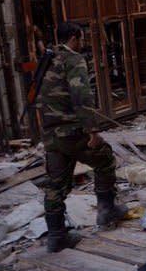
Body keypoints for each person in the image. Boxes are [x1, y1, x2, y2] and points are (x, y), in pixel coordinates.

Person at [38, 21, 127, 253]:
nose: (83, 42)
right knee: (105, 158)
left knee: (55, 185)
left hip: (51, 134)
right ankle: (106, 212)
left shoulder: (48, 58)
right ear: (75, 38)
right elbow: (81, 98)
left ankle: (56, 236)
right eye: (82, 38)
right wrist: (93, 131)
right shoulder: (73, 60)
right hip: (71, 132)